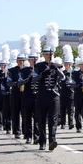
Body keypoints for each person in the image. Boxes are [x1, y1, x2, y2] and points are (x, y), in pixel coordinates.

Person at [33, 22, 65, 151]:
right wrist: (43, 73)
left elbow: (63, 78)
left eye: (49, 54)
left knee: (53, 119)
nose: (47, 55)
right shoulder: (38, 66)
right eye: (45, 54)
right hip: (42, 95)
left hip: (54, 95)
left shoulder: (57, 64)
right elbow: (35, 79)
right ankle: (42, 142)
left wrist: (56, 69)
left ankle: (52, 140)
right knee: (41, 120)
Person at [7, 49, 27, 139]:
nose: (21, 62)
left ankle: (25, 130)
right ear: (17, 61)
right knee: (15, 113)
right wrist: (16, 84)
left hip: (25, 94)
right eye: (19, 60)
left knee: (25, 113)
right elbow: (9, 82)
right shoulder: (12, 71)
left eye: (23, 60)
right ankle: (16, 131)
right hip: (15, 93)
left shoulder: (27, 70)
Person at [59, 45, 75, 130]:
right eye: (65, 64)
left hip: (71, 93)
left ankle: (71, 123)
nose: (67, 65)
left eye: (68, 64)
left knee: (71, 110)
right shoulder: (62, 73)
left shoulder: (73, 73)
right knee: (63, 109)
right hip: (63, 93)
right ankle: (63, 123)